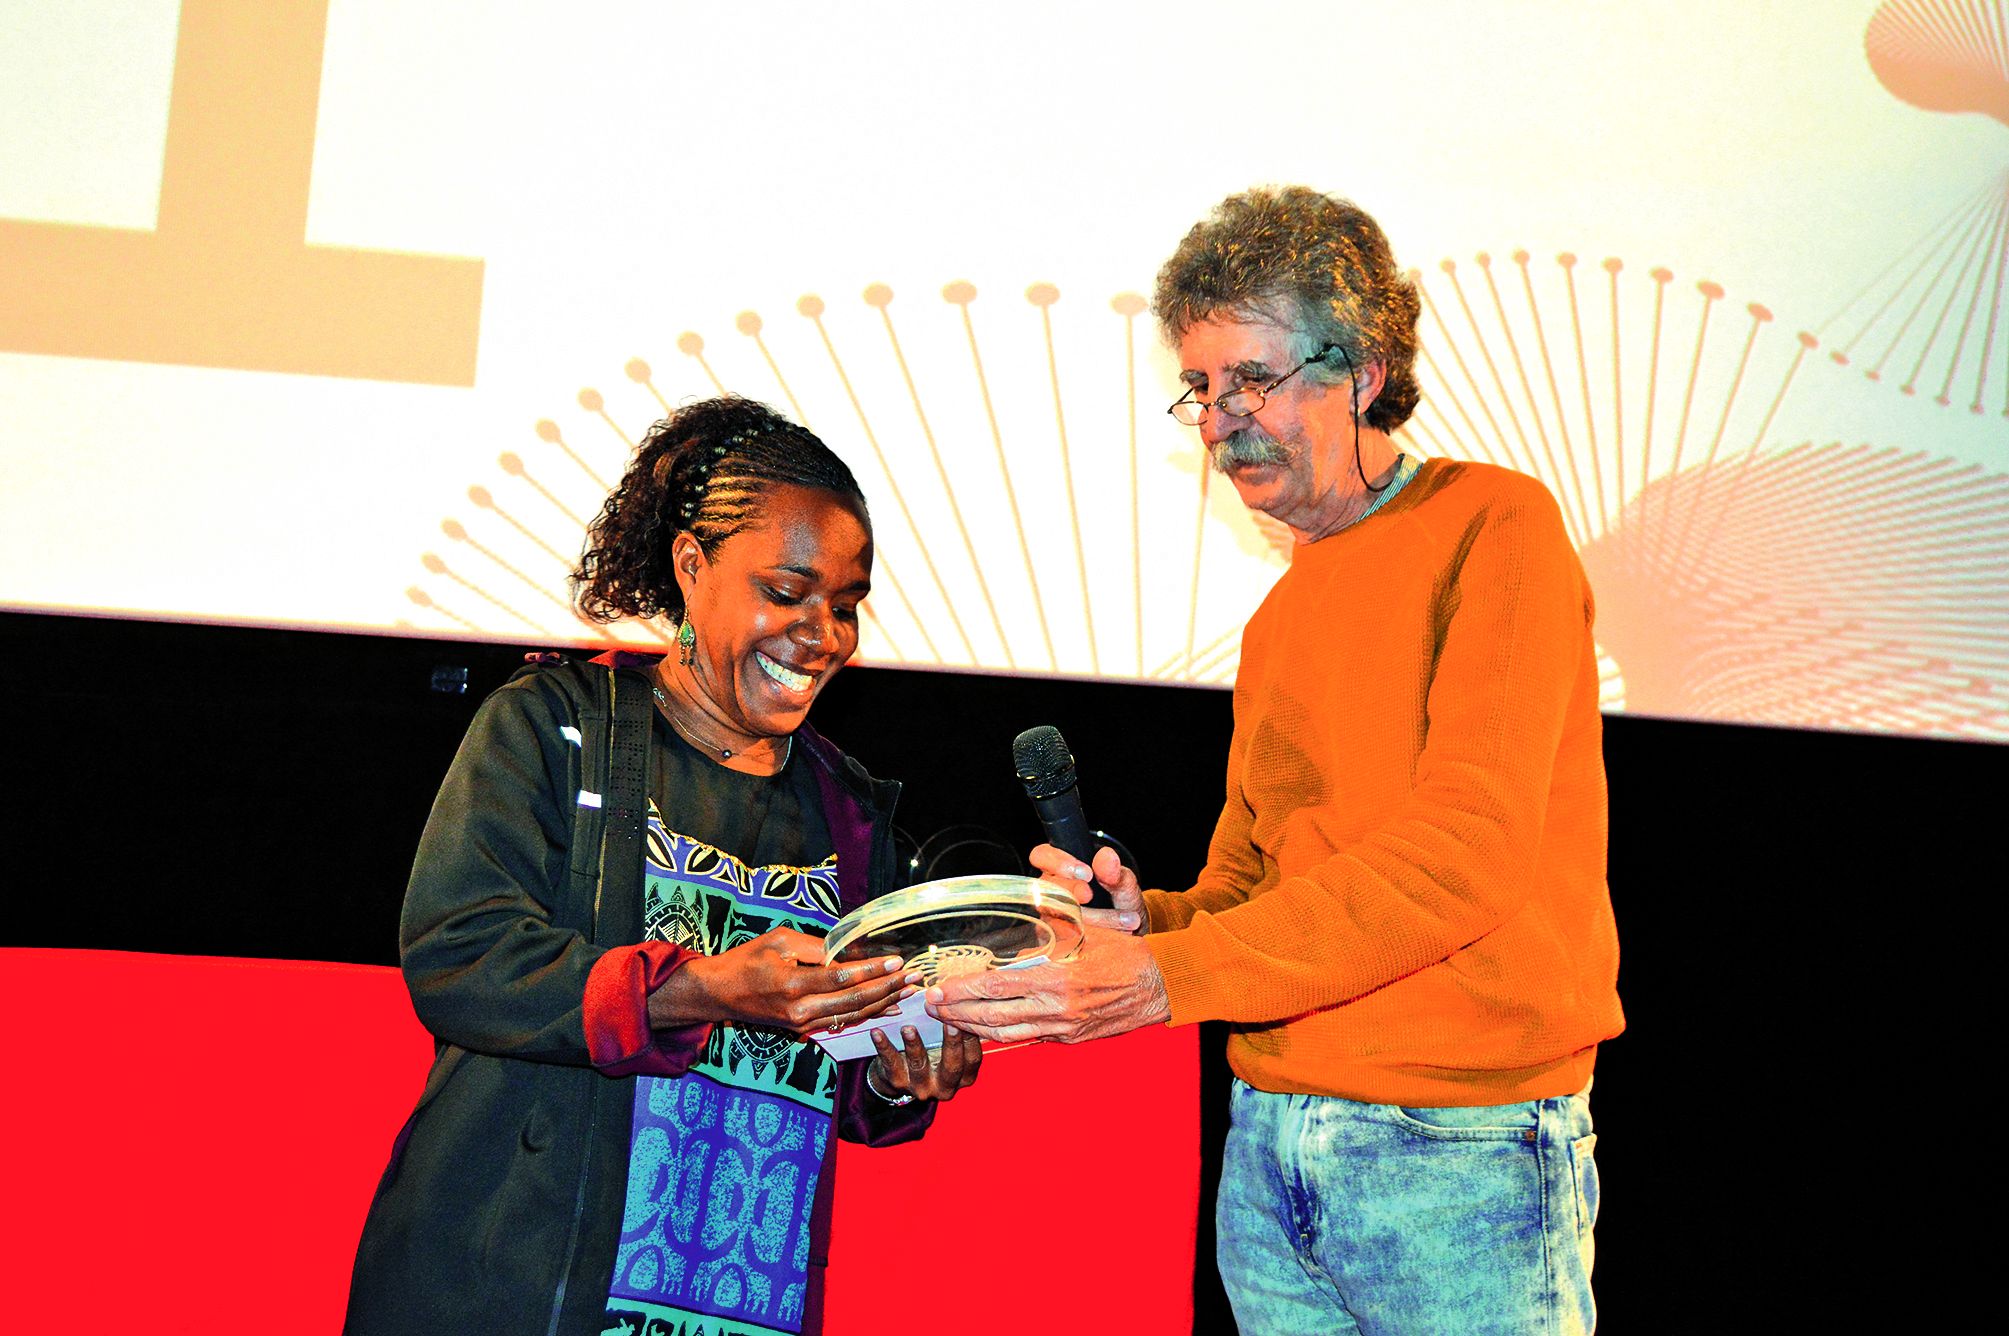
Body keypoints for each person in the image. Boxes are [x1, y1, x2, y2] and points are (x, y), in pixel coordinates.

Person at [931, 187, 1622, 1334]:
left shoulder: (1495, 527)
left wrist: (1165, 977)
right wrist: (1143, 922)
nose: (1217, 421)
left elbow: (1462, 857)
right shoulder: (1278, 618)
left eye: (1250, 380)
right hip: (1267, 1138)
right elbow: (1250, 892)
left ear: (1361, 370)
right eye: (1199, 388)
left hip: (1455, 1149)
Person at [346, 396, 981, 1336]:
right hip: (516, 1288)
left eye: (846, 606)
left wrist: (901, 1066)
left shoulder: (849, 811)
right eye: (787, 592)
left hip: (740, 1300)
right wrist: (702, 989)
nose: (824, 635)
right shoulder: (556, 726)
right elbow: (461, 957)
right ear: (692, 567)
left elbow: (846, 1083)